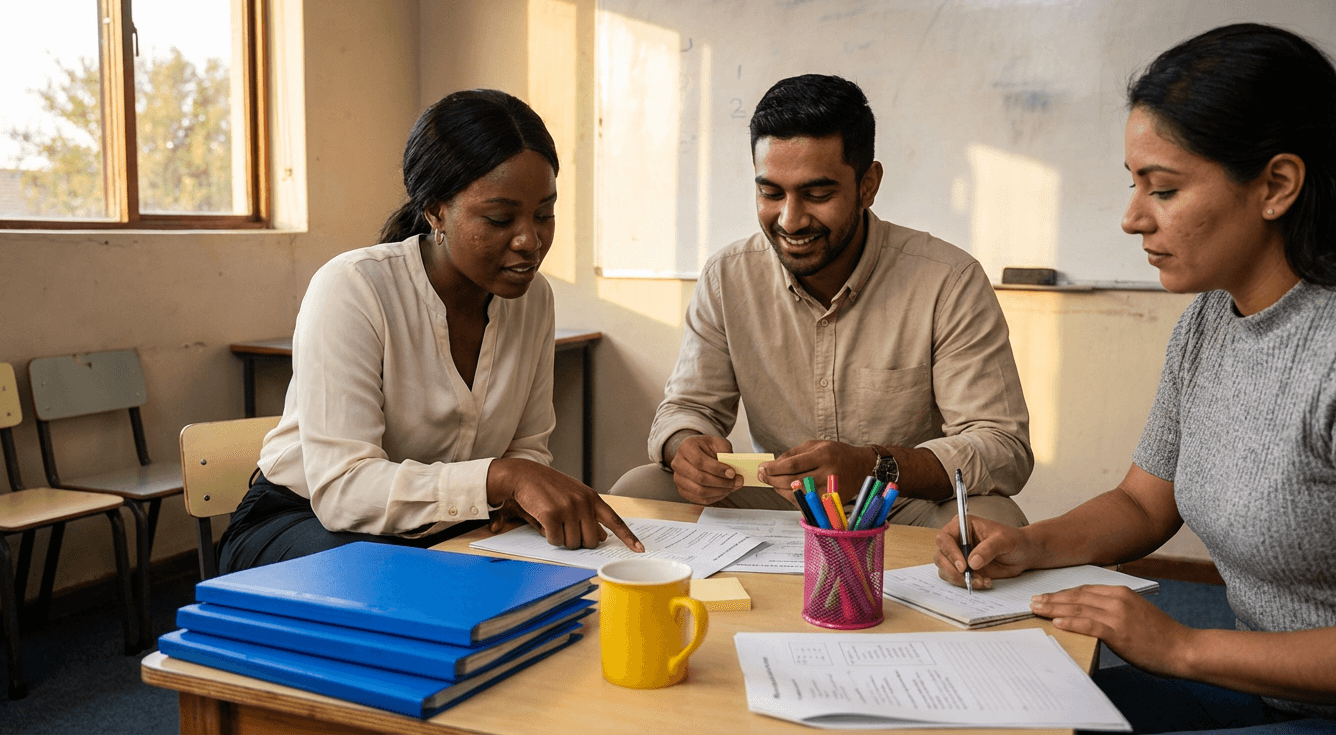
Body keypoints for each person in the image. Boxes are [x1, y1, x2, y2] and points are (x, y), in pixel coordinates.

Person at [934, 24, 1336, 733]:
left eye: (1163, 189)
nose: (1132, 218)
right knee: (990, 711)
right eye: (1133, 183)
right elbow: (1144, 504)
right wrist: (1029, 545)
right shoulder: (1210, 319)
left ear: (1277, 185)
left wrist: (1186, 646)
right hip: (1259, 688)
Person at [219, 90, 642, 574]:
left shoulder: (534, 300)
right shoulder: (354, 288)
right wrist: (500, 480)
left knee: (546, 584)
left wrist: (520, 493)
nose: (530, 241)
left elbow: (525, 449)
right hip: (302, 523)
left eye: (544, 213)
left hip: (440, 528)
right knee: (416, 586)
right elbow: (344, 491)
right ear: (436, 211)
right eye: (501, 218)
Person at [611, 74, 1033, 529]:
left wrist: (872, 466)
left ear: (868, 186)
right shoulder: (727, 276)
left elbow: (1002, 447)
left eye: (818, 194)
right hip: (779, 502)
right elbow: (687, 408)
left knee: (996, 520)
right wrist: (684, 448)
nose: (790, 220)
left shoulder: (947, 281)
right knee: (640, 491)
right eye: (771, 193)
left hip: (898, 506)